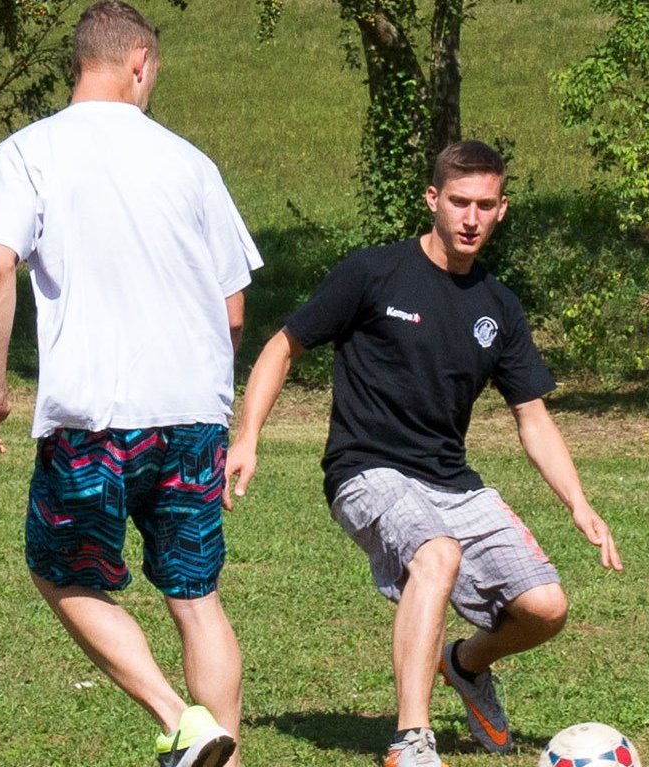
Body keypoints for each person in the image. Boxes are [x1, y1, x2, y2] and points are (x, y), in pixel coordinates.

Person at [226, 140, 623, 767]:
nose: (470, 218)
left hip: (452, 482)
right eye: (459, 202)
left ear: (502, 210)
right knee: (435, 555)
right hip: (366, 470)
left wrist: (578, 501)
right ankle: (412, 740)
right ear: (433, 199)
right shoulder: (373, 273)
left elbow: (532, 416)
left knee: (546, 609)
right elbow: (282, 346)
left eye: (484, 205)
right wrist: (247, 435)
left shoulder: (498, 305)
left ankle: (464, 664)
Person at [0, 3, 261, 766]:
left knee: (58, 571)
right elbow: (233, 307)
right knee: (196, 598)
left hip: (95, 416)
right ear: (138, 62)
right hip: (193, 415)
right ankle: (221, 751)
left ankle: (177, 716)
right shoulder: (191, 163)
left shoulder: (26, 154)